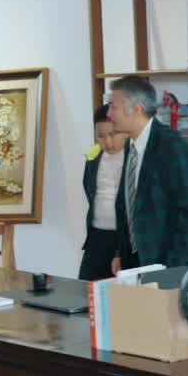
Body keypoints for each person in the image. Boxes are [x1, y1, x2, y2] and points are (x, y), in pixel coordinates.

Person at [108, 74, 188, 273]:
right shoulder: (131, 145)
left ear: (136, 109)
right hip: (141, 261)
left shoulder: (171, 145)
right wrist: (121, 253)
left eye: (114, 107)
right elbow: (129, 206)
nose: (109, 114)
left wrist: (171, 269)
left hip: (175, 265)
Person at [79, 104, 126, 280]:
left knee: (123, 292)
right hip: (97, 237)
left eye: (113, 134)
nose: (107, 142)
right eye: (101, 136)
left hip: (124, 239)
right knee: (86, 289)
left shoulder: (134, 157)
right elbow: (89, 189)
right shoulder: (93, 156)